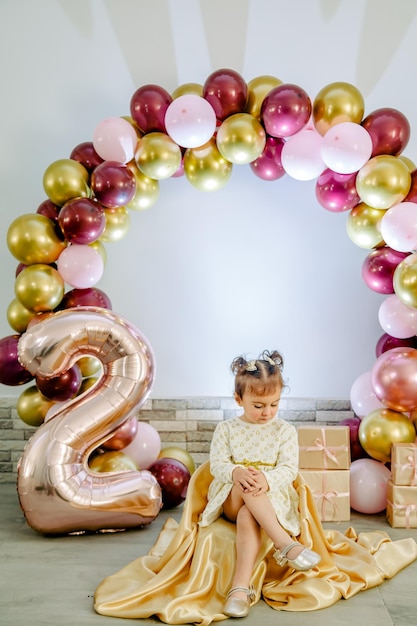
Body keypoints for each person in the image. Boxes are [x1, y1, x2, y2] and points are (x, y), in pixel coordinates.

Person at [198, 349, 321, 618]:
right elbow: (217, 464)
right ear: (238, 399)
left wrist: (267, 479)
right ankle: (286, 545)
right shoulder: (227, 429)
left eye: (274, 404)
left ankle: (239, 589)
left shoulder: (285, 431)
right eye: (258, 406)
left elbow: (289, 469)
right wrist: (235, 473)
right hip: (231, 496)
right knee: (246, 486)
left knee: (248, 514)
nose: (267, 413)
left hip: (272, 498)